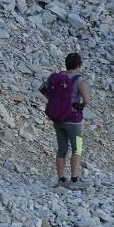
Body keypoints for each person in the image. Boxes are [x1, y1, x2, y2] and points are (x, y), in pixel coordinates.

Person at [40, 52, 90, 187]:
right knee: (77, 148)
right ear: (79, 65)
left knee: (61, 149)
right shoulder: (79, 80)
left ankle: (61, 179)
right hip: (74, 121)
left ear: (66, 64)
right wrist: (79, 106)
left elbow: (43, 90)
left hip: (58, 120)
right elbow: (86, 100)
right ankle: (74, 179)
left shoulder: (57, 78)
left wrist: (56, 103)